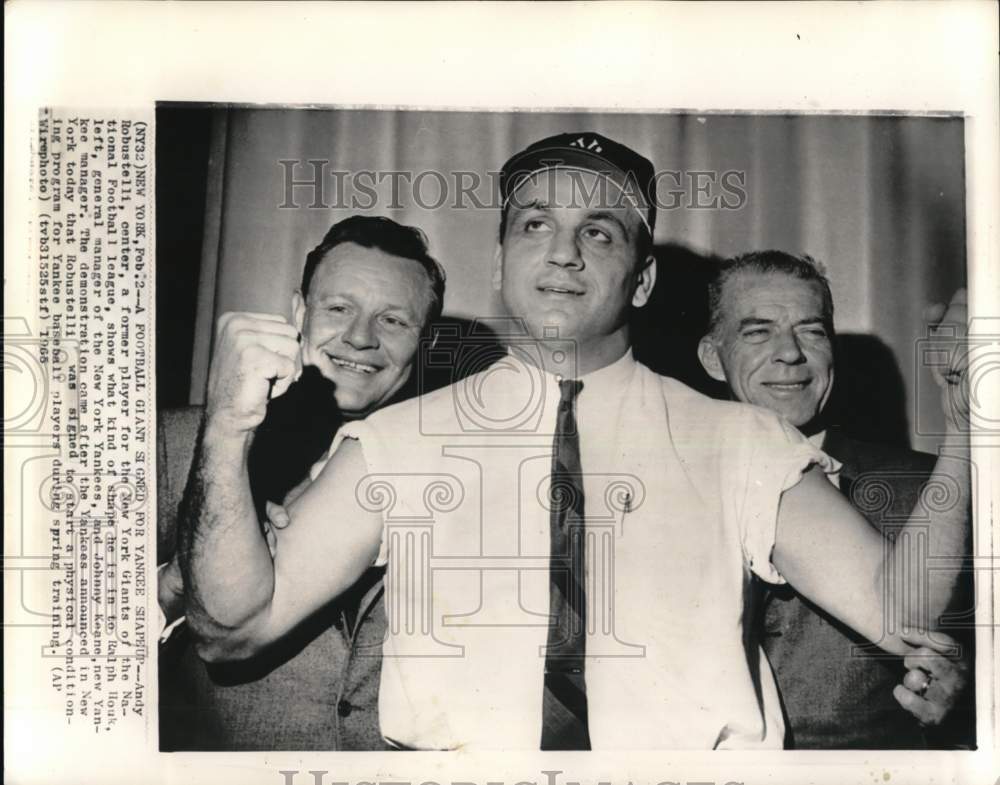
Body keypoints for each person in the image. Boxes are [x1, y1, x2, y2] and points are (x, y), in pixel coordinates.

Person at [179, 131, 970, 750]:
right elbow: (232, 628)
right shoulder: (396, 441)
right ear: (500, 261)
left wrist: (969, 424)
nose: (563, 250)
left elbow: (898, 610)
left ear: (644, 278)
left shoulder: (742, 440)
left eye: (599, 232)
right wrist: (227, 427)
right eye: (535, 224)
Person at [159, 215, 447, 750]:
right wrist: (175, 584)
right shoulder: (174, 442)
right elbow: (61, 654)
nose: (360, 338)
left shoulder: (451, 468)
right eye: (338, 309)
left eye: (393, 321)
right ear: (298, 314)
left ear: (423, 342)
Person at [696, 251, 972, 748]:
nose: (790, 354)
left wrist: (966, 699)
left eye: (812, 331)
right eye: (758, 331)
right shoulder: (667, 486)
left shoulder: (928, 489)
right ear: (713, 358)